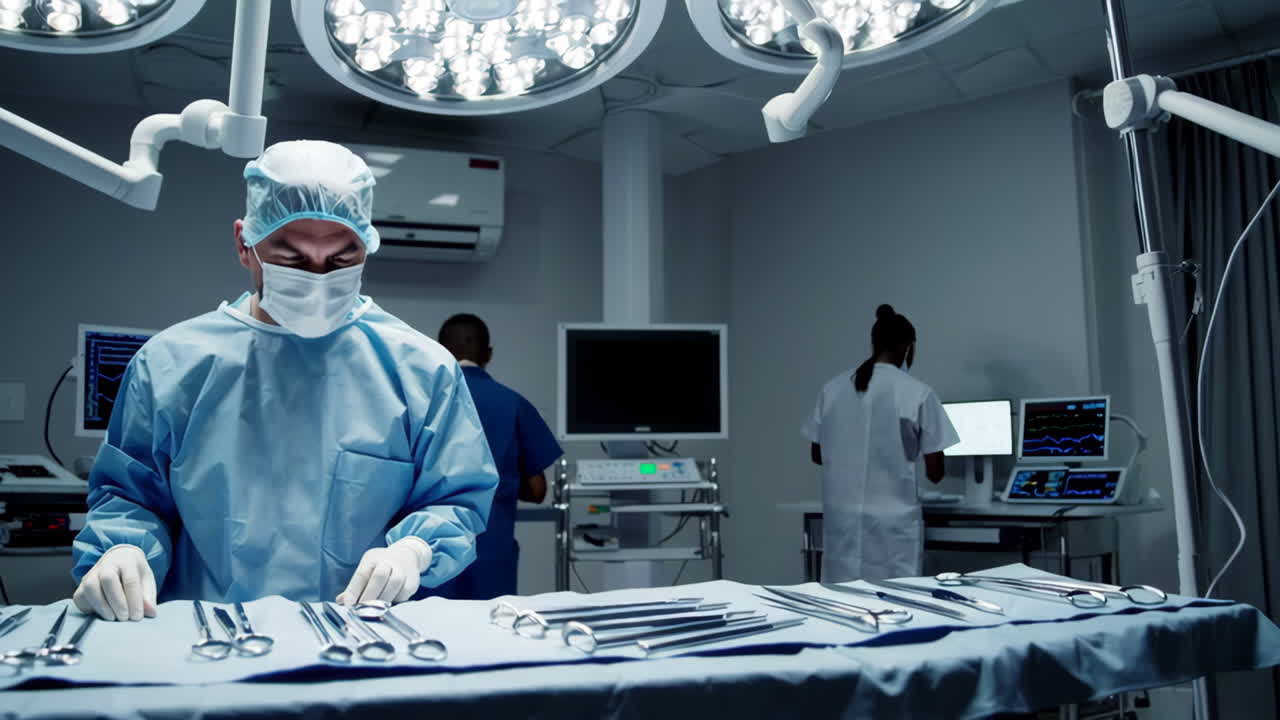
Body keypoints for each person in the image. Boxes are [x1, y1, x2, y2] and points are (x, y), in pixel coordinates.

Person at [70, 140, 499, 621]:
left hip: (360, 636)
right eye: (292, 259)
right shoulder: (171, 363)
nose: (317, 277)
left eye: (341, 259)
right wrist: (124, 550)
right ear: (244, 245)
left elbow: (454, 499)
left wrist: (415, 549)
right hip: (208, 634)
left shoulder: (420, 369)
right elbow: (131, 497)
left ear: (367, 246)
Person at [802, 304, 958, 583]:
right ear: (907, 346)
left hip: (843, 522)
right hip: (893, 528)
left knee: (845, 602)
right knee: (896, 602)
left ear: (874, 343)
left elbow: (817, 454)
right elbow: (935, 472)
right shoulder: (917, 392)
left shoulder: (833, 388)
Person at [431, 313, 563, 600]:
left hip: (429, 554)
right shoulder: (513, 403)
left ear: (439, 349)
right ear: (488, 354)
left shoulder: (420, 401)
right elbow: (538, 489)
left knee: (428, 635)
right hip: (490, 553)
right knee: (490, 638)